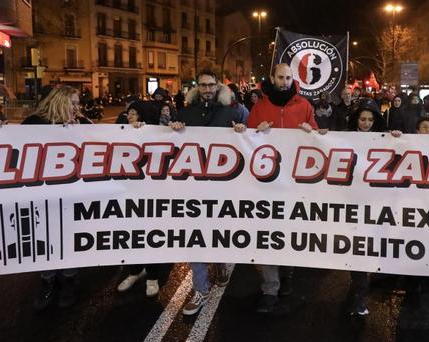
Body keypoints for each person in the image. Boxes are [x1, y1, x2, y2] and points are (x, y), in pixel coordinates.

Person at [246, 64, 320, 313]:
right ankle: (270, 288)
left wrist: (312, 133)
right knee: (268, 236)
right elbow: (245, 140)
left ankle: (287, 273)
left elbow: (318, 139)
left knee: (289, 234)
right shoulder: (260, 107)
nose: (285, 81)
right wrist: (256, 132)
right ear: (272, 78)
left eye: (289, 77)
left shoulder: (304, 106)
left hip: (295, 185)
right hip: (266, 184)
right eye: (281, 77)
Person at [170, 70, 244, 316]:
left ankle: (221, 262)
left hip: (223, 187)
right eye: (202, 85)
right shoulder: (185, 112)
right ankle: (200, 289)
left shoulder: (233, 111)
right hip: (193, 188)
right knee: (195, 236)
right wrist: (175, 128)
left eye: (211, 85)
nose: (207, 90)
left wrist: (245, 130)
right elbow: (170, 142)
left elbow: (256, 133)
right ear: (196, 87)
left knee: (219, 232)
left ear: (218, 86)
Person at [22, 86, 91, 311]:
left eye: (77, 103)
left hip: (73, 197)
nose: (76, 107)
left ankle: (69, 280)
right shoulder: (33, 124)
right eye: (72, 102)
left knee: (70, 238)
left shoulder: (83, 124)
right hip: (42, 196)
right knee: (46, 237)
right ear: (58, 102)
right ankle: (47, 281)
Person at [344, 99, 402, 316]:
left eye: (370, 119)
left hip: (378, 203)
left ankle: (364, 285)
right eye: (362, 119)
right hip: (353, 203)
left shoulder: (386, 138)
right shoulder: (343, 138)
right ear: (356, 119)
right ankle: (360, 293)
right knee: (356, 249)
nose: (366, 123)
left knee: (373, 246)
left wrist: (397, 139)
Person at [114, 103, 170, 298]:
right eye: (128, 113)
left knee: (151, 235)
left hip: (152, 194)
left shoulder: (156, 134)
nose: (129, 116)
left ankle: (153, 276)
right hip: (129, 194)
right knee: (132, 235)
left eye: (134, 113)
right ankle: (134, 271)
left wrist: (145, 132)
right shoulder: (122, 130)